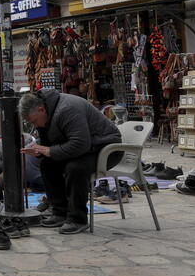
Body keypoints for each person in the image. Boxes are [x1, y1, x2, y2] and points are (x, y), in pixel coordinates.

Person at [18, 89, 121, 234]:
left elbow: (80, 143)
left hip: (107, 148)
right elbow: (52, 144)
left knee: (75, 168)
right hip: (87, 147)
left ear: (41, 109)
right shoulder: (47, 112)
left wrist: (49, 151)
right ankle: (60, 212)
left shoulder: (68, 109)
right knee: (48, 165)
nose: (36, 125)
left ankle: (77, 219)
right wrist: (40, 151)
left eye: (34, 121)